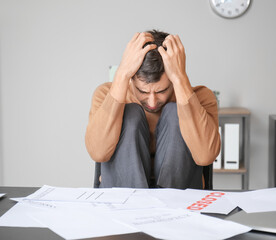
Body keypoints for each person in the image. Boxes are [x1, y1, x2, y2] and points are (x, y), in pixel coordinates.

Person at [85, 30, 220, 189]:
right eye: (143, 91)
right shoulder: (106, 94)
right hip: (125, 199)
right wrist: (122, 75)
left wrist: (180, 79)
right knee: (130, 113)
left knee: (174, 112)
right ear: (132, 79)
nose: (152, 101)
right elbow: (98, 153)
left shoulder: (201, 97)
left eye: (161, 91)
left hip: (177, 197)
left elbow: (206, 156)